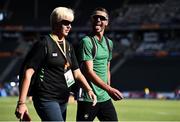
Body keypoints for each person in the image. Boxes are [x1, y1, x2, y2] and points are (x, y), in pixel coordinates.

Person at [15, 7, 97, 121]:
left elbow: (77, 73)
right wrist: (21, 103)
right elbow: (28, 73)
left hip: (63, 99)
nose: (69, 26)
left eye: (70, 23)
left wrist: (89, 90)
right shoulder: (44, 43)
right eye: (66, 23)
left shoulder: (68, 46)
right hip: (46, 98)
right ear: (56, 23)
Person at [76, 7, 123, 121]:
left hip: (104, 97)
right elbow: (89, 72)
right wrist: (109, 89)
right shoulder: (86, 42)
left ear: (106, 22)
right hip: (88, 97)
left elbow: (107, 69)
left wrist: (108, 89)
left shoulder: (109, 43)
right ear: (91, 20)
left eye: (102, 18)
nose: (98, 20)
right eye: (95, 17)